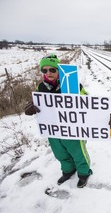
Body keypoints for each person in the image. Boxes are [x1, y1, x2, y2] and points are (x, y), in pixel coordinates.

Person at [24, 54, 92, 188]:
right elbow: (38, 103)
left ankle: (84, 173)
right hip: (53, 128)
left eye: (52, 70)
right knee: (59, 152)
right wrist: (31, 107)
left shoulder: (71, 84)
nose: (48, 73)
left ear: (59, 70)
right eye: (45, 70)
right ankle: (68, 170)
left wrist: (103, 116)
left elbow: (88, 101)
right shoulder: (41, 88)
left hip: (71, 127)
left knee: (78, 151)